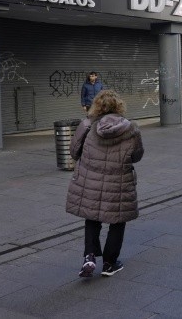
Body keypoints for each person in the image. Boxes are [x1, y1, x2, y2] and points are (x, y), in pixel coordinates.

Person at [66, 90, 144, 277]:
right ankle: (110, 263)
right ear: (119, 106)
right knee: (117, 220)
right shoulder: (131, 129)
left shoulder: (86, 125)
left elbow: (74, 152)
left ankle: (89, 256)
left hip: (90, 181)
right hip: (119, 182)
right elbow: (137, 156)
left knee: (92, 217)